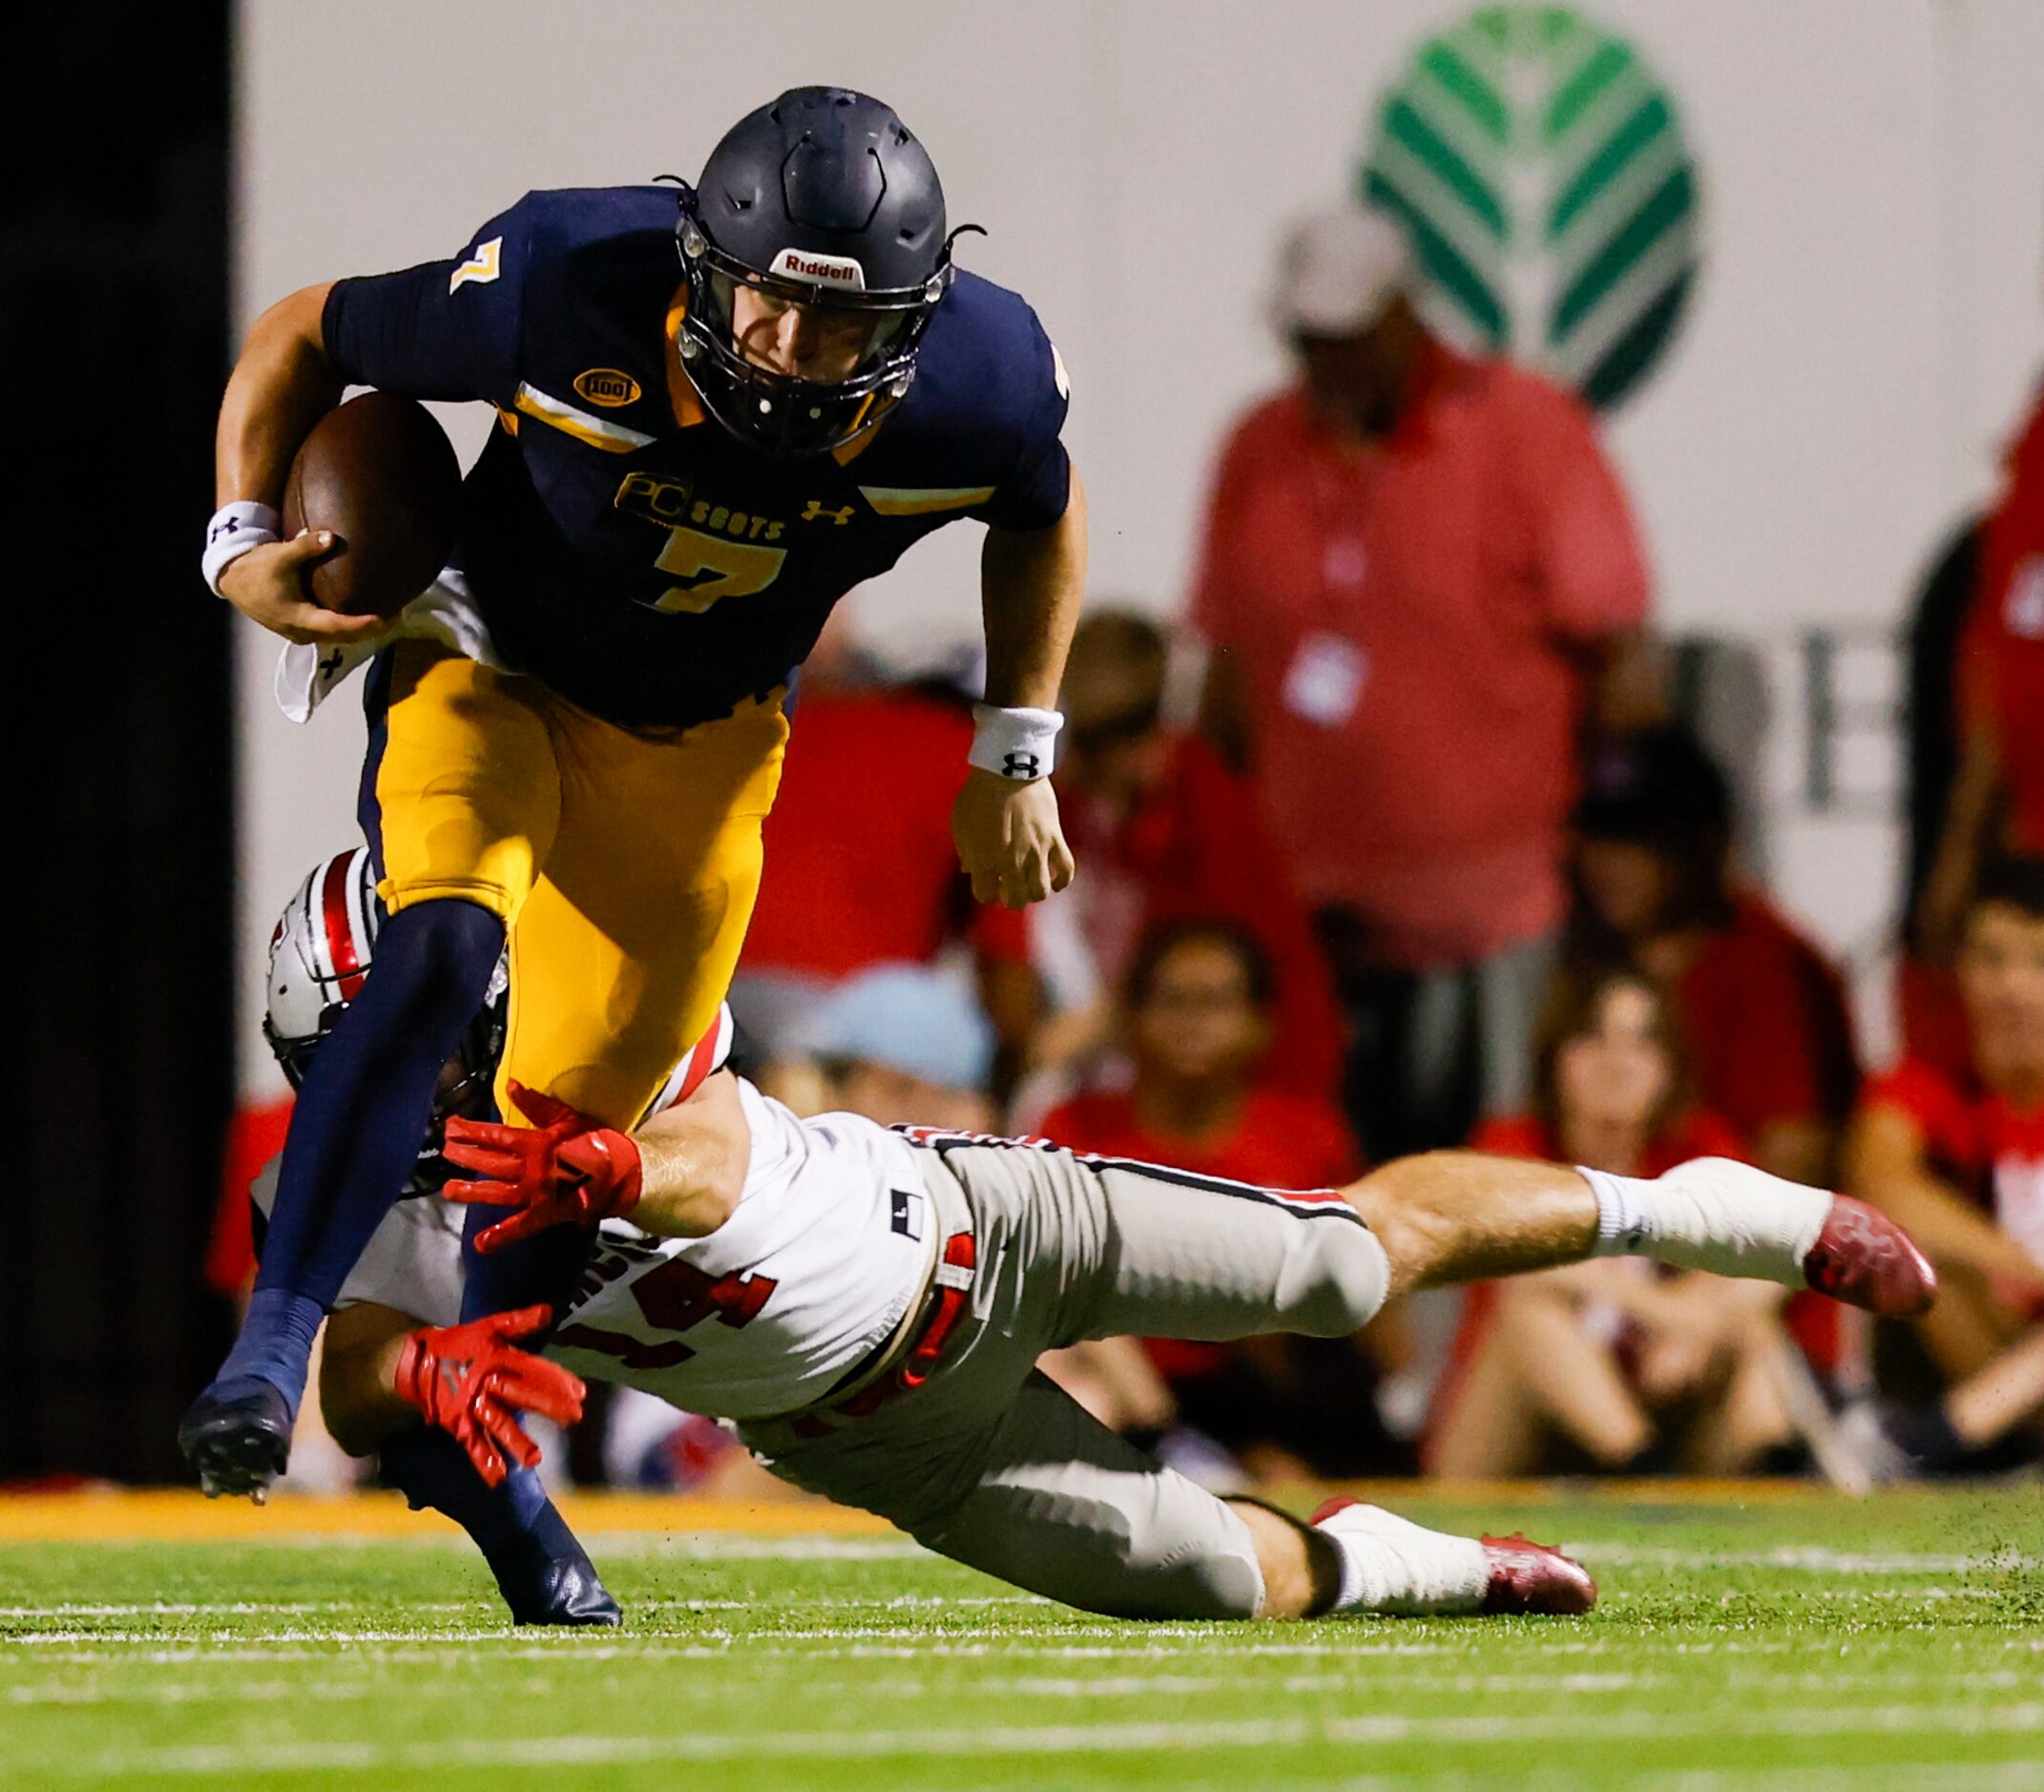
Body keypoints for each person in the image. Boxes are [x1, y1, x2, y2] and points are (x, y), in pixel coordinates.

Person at [185, 88, 1085, 1532]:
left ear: (916, 319)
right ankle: (272, 1346)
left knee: (565, 1126)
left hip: (701, 737)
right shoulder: (557, 286)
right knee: (438, 946)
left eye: (844, 324)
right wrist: (237, 539)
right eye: (772, 304)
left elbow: (1042, 506)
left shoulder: (982, 379)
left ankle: (492, 1425)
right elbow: (309, 324)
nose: (797, 350)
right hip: (487, 659)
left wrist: (1016, 747)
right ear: (700, 265)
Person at [298, 952, 1931, 1629]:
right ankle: (1428, 1568)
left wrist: (609, 1169)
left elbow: (710, 1149)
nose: (412, 1090)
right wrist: (414, 1383)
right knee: (1213, 1581)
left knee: (1331, 1261)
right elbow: (352, 1357)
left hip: (976, 1231)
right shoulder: (364, 1186)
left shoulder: (597, 1009)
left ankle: (1703, 1208)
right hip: (874, 1439)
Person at [1192, 205, 1658, 1164]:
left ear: (1405, 317)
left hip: (1500, 911)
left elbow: (1619, 651)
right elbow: (1225, 669)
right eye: (1308, 339)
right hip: (1311, 918)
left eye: (1348, 338)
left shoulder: (1525, 429)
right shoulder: (1260, 448)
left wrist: (1604, 842)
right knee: (1320, 1188)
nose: (1325, 362)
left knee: (1502, 1168)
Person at [1429, 968, 1831, 1479]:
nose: (1615, 1065)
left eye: (1640, 1045)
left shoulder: (1695, 1147)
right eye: (1593, 1040)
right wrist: (1666, 1311)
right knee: (1531, 1307)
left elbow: (1782, 1250)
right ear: (1555, 1058)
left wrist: (1696, 1315)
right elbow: (1521, 1258)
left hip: (1663, 1399)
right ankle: (1638, 1465)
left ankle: (1774, 1473)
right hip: (1504, 1437)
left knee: (1750, 1322)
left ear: (1670, 1067)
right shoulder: (1514, 1144)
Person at [1038, 920, 1395, 1476]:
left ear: (1261, 1024)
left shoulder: (1308, 1139)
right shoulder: (1074, 1127)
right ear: (1131, 1019)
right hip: (1124, 1383)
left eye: (1215, 1003)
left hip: (1272, 1390)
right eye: (1172, 1001)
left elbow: (1373, 1309)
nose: (1191, 1024)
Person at [1043, 609, 1343, 1097]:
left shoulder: (1206, 810)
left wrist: (1101, 1022)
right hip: (1140, 1065)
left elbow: (1201, 966)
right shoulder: (1085, 800)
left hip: (1252, 1079)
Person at [1571, 724, 1859, 1186]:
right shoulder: (1589, 951)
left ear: (1698, 845)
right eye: (1598, 836)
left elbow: (1793, 1166)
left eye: (1639, 841)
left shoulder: (1763, 962)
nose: (1608, 861)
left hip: (1723, 1236)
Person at [1843, 856, 2044, 1474]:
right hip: (1988, 1347)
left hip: (1988, 1391)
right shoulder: (1924, 1087)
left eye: (2039, 963)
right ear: (1959, 969)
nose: (2012, 986)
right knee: (1906, 1249)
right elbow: (1884, 1188)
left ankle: (1931, 1441)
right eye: (1991, 959)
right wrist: (2016, 1264)